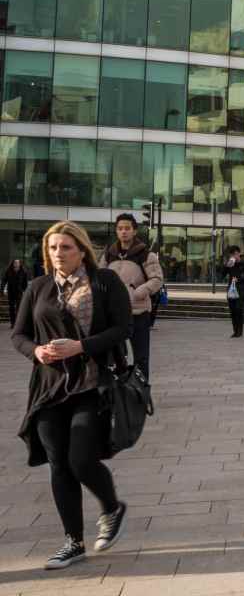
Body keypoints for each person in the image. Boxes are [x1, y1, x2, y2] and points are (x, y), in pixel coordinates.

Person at [12, 221, 132, 569]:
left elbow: (122, 328)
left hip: (92, 386)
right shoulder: (38, 287)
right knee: (59, 465)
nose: (57, 254)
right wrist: (36, 352)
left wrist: (80, 346)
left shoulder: (105, 282)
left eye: (65, 247)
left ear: (81, 250)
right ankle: (73, 542)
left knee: (80, 458)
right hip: (49, 390)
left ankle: (111, 508)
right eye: (52, 248)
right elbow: (18, 335)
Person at [102, 215, 163, 379]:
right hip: (114, 314)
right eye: (120, 228)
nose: (123, 232)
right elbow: (99, 277)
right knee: (114, 357)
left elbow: (157, 279)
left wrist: (141, 291)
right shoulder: (109, 254)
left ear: (134, 231)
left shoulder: (145, 255)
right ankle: (118, 393)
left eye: (127, 228)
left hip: (138, 311)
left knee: (141, 357)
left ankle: (141, 394)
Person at [220, 246, 244, 338]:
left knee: (238, 309)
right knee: (232, 310)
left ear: (239, 254)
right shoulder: (230, 263)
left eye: (235, 254)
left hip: (241, 289)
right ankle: (235, 331)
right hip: (231, 289)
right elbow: (222, 275)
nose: (234, 256)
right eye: (232, 255)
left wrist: (240, 279)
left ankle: (239, 331)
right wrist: (226, 266)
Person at [4, 258, 29, 323]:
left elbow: (25, 283)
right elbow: (4, 281)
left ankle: (17, 322)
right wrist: (2, 290)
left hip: (19, 292)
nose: (16, 264)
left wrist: (26, 292)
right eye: (15, 262)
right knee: (11, 307)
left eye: (17, 263)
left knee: (19, 307)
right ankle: (13, 322)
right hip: (10, 291)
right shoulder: (8, 271)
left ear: (20, 264)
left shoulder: (23, 272)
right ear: (13, 263)